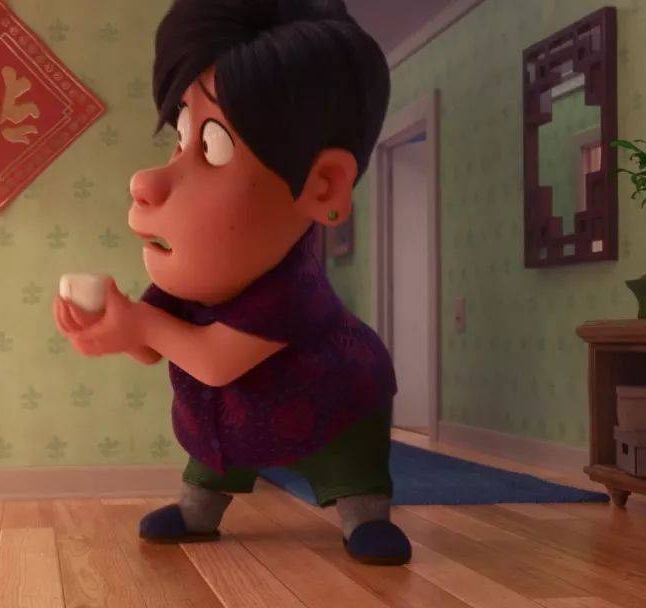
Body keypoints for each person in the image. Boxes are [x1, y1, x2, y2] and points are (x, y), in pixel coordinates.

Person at [53, 0, 410, 565]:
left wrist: (140, 324)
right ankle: (199, 510)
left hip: (338, 400)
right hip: (234, 415)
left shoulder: (294, 287)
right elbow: (154, 345)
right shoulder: (198, 279)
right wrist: (116, 330)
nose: (145, 180)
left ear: (322, 186)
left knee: (351, 468)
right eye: (181, 136)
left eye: (214, 146)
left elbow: (216, 362)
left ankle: (364, 515)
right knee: (214, 449)